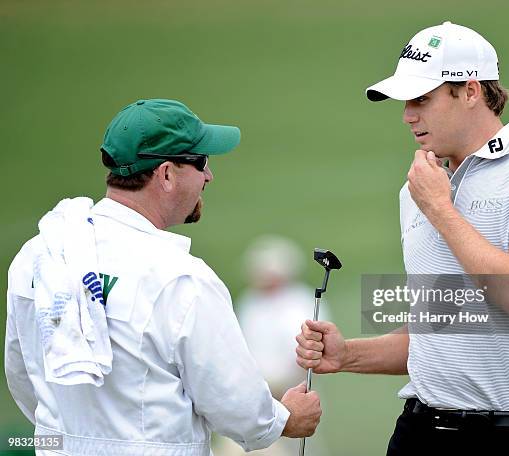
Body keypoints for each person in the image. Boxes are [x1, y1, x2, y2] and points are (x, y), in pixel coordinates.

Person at [296, 22, 509, 456]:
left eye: (422, 99)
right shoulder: (418, 189)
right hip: (419, 431)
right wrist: (347, 356)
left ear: (470, 91)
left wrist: (440, 209)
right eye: (405, 101)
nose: (408, 114)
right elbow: (443, 328)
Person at [5, 98, 321, 456]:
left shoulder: (39, 254)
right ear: (167, 174)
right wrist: (287, 419)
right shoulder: (180, 278)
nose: (208, 176)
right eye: (201, 162)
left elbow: (23, 375)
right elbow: (240, 409)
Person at [213, 235, 330, 456]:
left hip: (290, 392)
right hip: (252, 394)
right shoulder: (250, 302)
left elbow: (305, 356)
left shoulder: (300, 302)